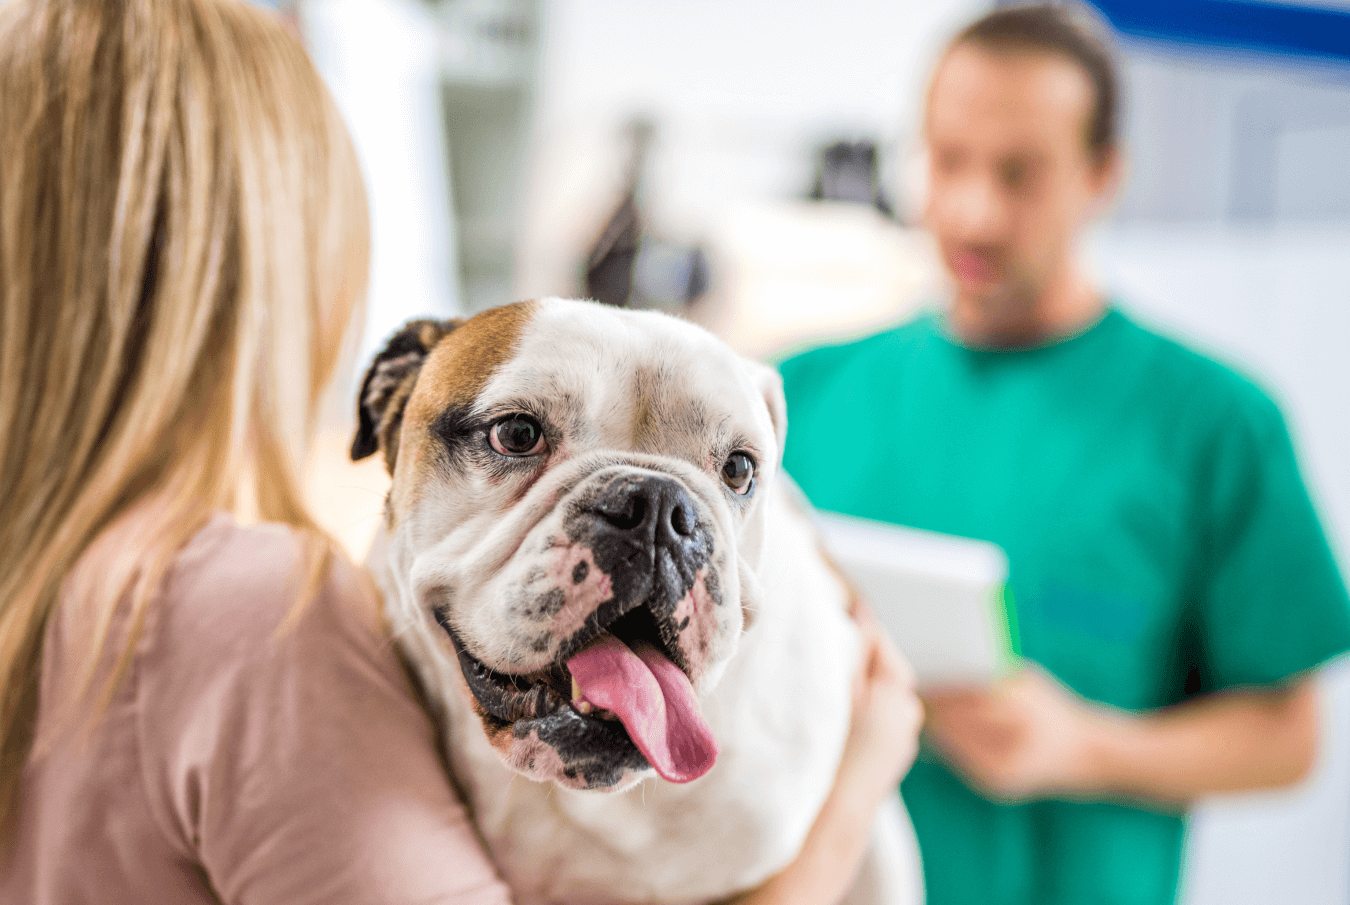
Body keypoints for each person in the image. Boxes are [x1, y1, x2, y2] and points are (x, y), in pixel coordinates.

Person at [0, 1, 919, 903]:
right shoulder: (256, 618)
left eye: (731, 472)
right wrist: (859, 789)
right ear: (281, 276)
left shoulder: (51, 571)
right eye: (519, 436)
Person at [777, 4, 1350, 905]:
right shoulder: (798, 396)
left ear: (1102, 175)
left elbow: (1289, 737)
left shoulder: (1212, 422)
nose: (972, 211)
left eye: (1020, 174)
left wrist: (1084, 746)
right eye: (948, 159)